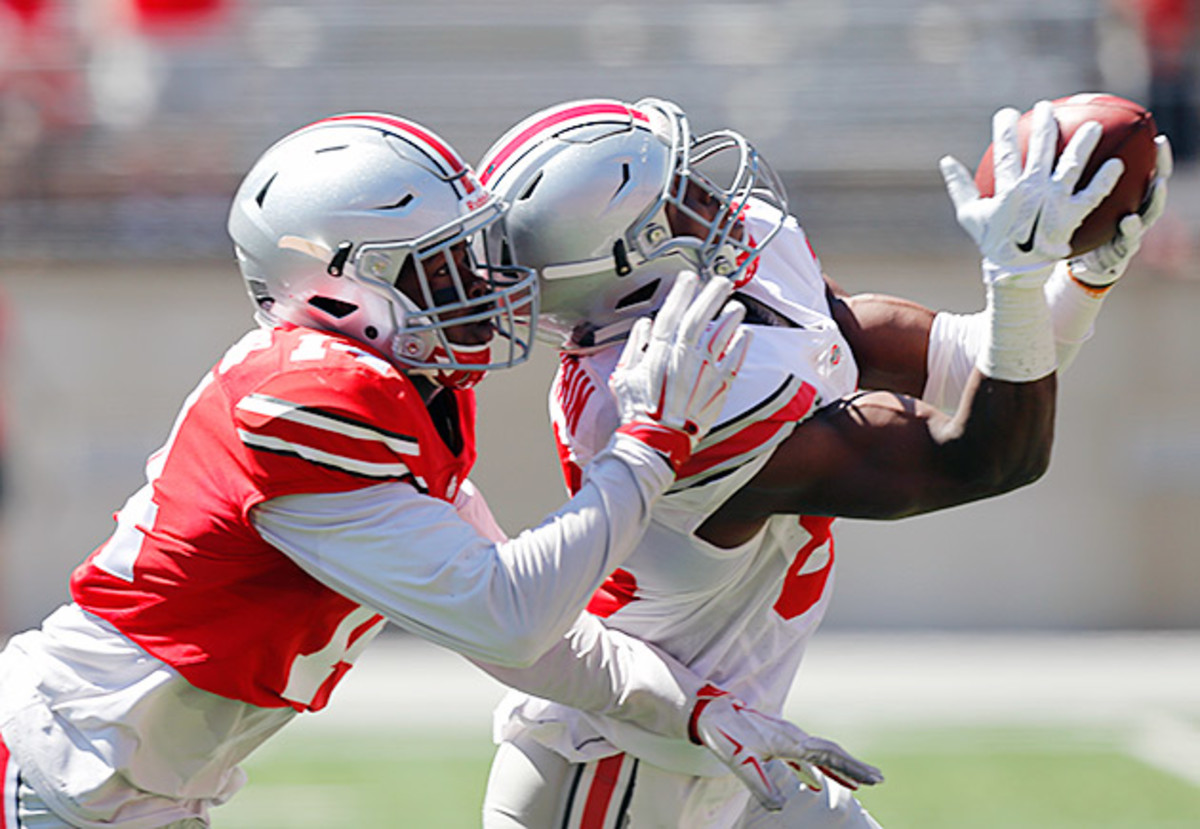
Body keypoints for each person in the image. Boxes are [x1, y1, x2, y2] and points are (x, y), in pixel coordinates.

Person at [0, 112, 885, 828]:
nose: (487, 283)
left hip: (116, 786)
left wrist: (687, 708)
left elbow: (522, 636)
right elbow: (509, 617)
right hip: (61, 773)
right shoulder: (306, 400)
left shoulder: (397, 391)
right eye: (445, 267)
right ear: (341, 293)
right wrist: (648, 446)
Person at [476, 97, 1171, 827]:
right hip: (618, 773)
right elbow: (987, 457)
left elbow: (965, 363)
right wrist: (1018, 281)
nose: (710, 193)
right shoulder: (666, 393)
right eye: (676, 193)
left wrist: (1080, 279)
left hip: (728, 746)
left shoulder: (729, 289)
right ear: (629, 261)